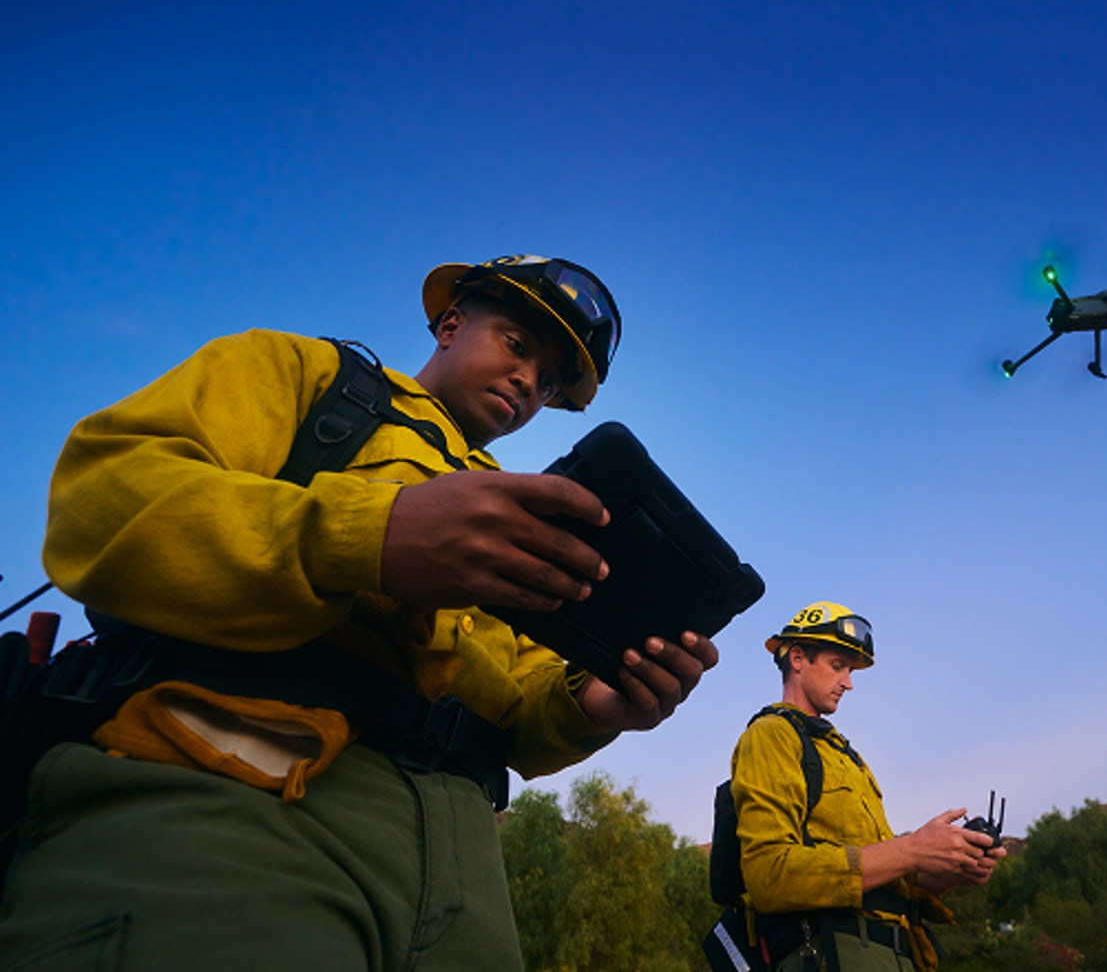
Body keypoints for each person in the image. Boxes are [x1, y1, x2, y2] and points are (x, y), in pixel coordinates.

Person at [0, 255, 718, 971]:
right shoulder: (303, 375)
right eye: (519, 345)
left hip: (468, 873)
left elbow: (523, 696)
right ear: (450, 322)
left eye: (552, 381)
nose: (530, 382)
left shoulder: (515, 510)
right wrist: (368, 535)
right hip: (231, 810)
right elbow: (100, 497)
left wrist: (597, 703)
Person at [731, 601, 1003, 972]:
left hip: (894, 955)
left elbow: (880, 879)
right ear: (797, 658)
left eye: (850, 669)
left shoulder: (847, 756)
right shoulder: (772, 734)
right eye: (838, 665)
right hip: (832, 952)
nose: (849, 682)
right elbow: (770, 875)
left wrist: (947, 871)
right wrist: (911, 850)